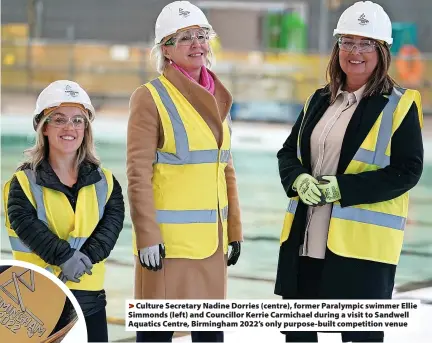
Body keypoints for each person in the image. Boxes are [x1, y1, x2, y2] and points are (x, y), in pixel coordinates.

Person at [275, 1, 423, 342]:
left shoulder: (398, 105)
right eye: (347, 42)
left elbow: (407, 171)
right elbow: (288, 153)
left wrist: (339, 188)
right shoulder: (319, 99)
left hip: (360, 252)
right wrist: (297, 178)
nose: (354, 52)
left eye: (365, 43)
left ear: (382, 51)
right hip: (306, 243)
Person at [127, 1, 243, 342]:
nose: (197, 44)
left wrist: (234, 228)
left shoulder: (219, 97)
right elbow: (138, 174)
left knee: (210, 336)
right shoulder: (149, 98)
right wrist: (147, 236)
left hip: (212, 245)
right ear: (166, 49)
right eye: (184, 38)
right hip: (167, 248)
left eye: (201, 35)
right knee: (157, 335)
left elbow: (226, 169)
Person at [3, 80, 125, 342]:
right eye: (59, 119)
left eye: (78, 120)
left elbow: (110, 231)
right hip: (35, 305)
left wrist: (84, 261)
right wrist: (65, 258)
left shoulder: (107, 182)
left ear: (86, 128)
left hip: (90, 300)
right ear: (44, 127)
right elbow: (29, 229)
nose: (70, 128)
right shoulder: (22, 183)